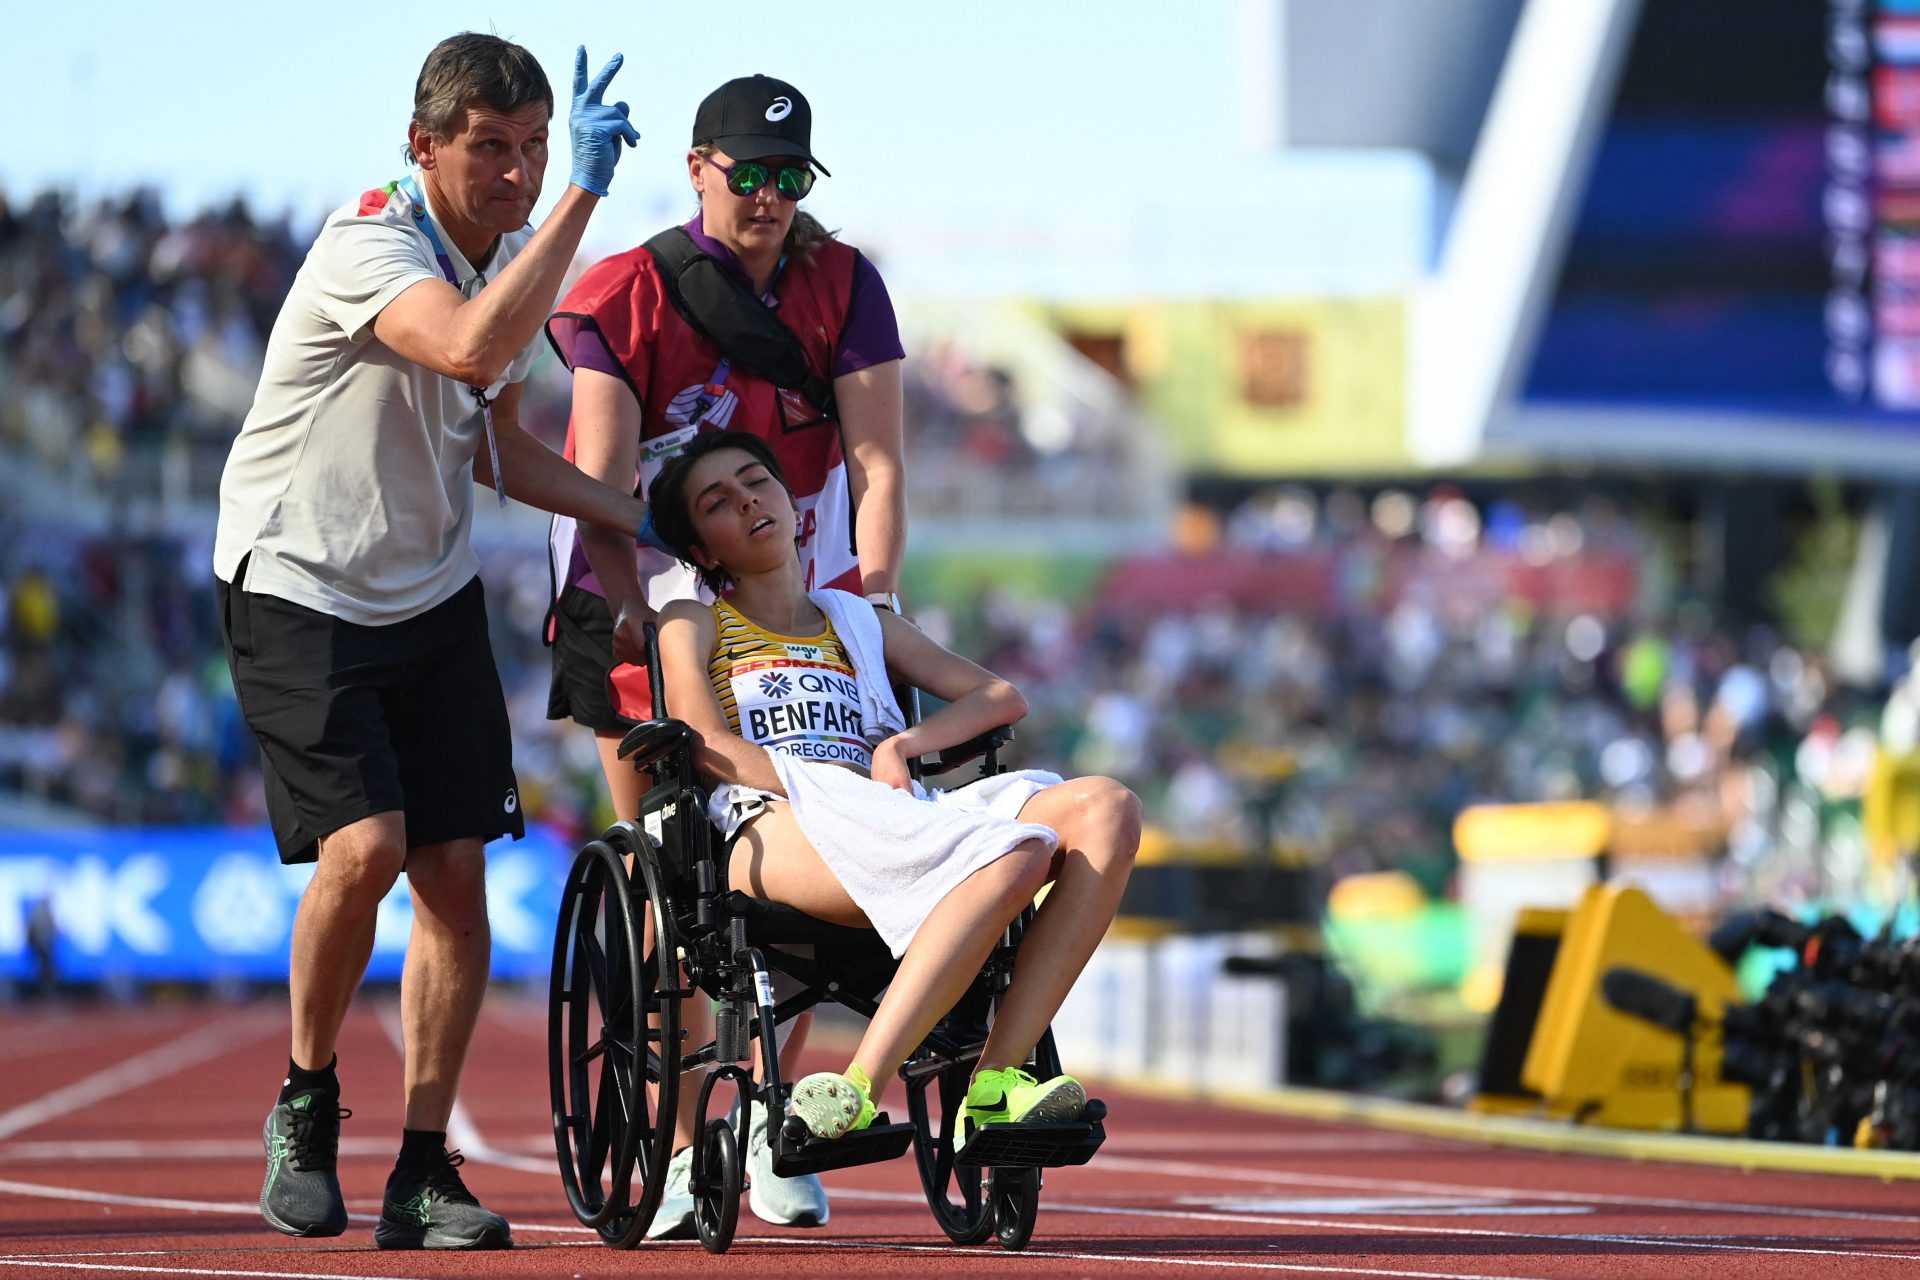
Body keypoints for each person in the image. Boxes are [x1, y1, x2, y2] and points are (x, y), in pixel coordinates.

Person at [212, 33, 647, 1251]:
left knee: (455, 879)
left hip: (429, 589)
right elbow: (465, 346)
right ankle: (303, 1099)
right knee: (368, 845)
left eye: (535, 149)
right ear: (424, 146)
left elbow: (492, 440)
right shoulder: (368, 241)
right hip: (299, 578)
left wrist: (629, 508)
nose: (516, 173)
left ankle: (420, 1167)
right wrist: (586, 195)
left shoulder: (508, 255)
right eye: (490, 149)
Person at [541, 74, 906, 1233]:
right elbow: (602, 492)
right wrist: (648, 613)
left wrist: (877, 610)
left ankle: (766, 1125)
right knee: (673, 879)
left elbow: (879, 468)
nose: (768, 196)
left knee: (800, 875)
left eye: (790, 178)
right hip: (635, 589)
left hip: (793, 600)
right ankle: (679, 1127)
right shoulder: (627, 292)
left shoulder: (843, 284)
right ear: (698, 167)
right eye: (747, 173)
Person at [649, 431, 1139, 1161]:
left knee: (1107, 808)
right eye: (719, 501)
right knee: (1012, 855)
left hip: (889, 811)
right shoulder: (691, 620)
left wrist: (900, 746)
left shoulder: (859, 619)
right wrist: (824, 790)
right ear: (707, 551)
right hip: (772, 821)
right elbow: (702, 740)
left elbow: (999, 696)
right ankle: (858, 1086)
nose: (749, 499)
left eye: (758, 481)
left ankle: (996, 1081)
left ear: (794, 505)